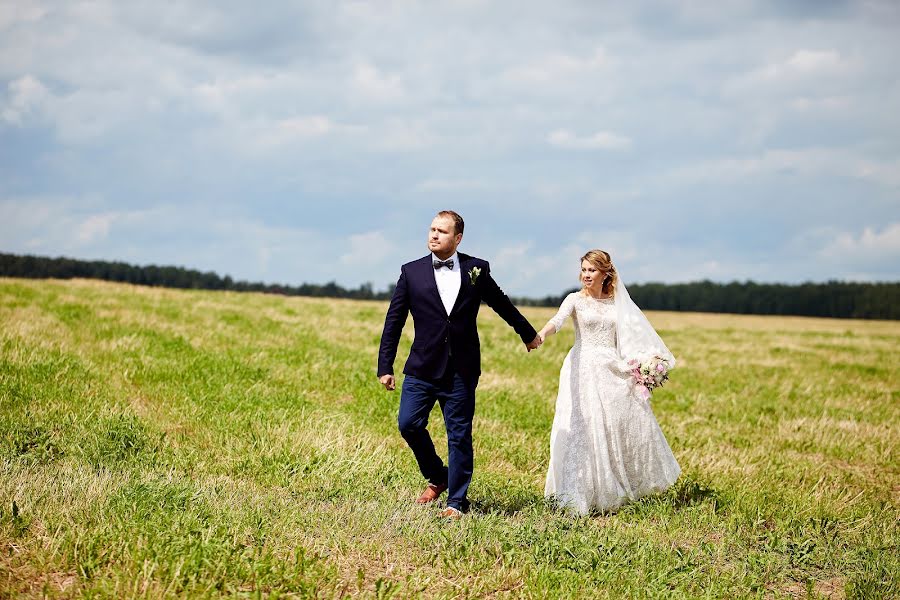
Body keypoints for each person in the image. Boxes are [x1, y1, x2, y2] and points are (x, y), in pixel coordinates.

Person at [378, 210, 542, 519]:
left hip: (461, 370)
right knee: (408, 424)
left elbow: (501, 302)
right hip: (422, 367)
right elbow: (394, 321)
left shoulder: (475, 269)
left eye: (442, 231)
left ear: (458, 238)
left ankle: (456, 502)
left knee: (459, 435)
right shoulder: (411, 273)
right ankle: (438, 476)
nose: (434, 235)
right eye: (432, 229)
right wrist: (385, 365)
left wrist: (527, 333)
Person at [536, 249, 680, 514]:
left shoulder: (617, 304)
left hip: (612, 367)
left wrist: (646, 365)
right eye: (583, 270)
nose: (586, 275)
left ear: (605, 273)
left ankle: (616, 486)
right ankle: (578, 493)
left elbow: (633, 334)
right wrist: (541, 335)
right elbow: (557, 321)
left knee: (618, 422)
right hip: (583, 366)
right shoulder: (575, 300)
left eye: (592, 270)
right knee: (584, 424)